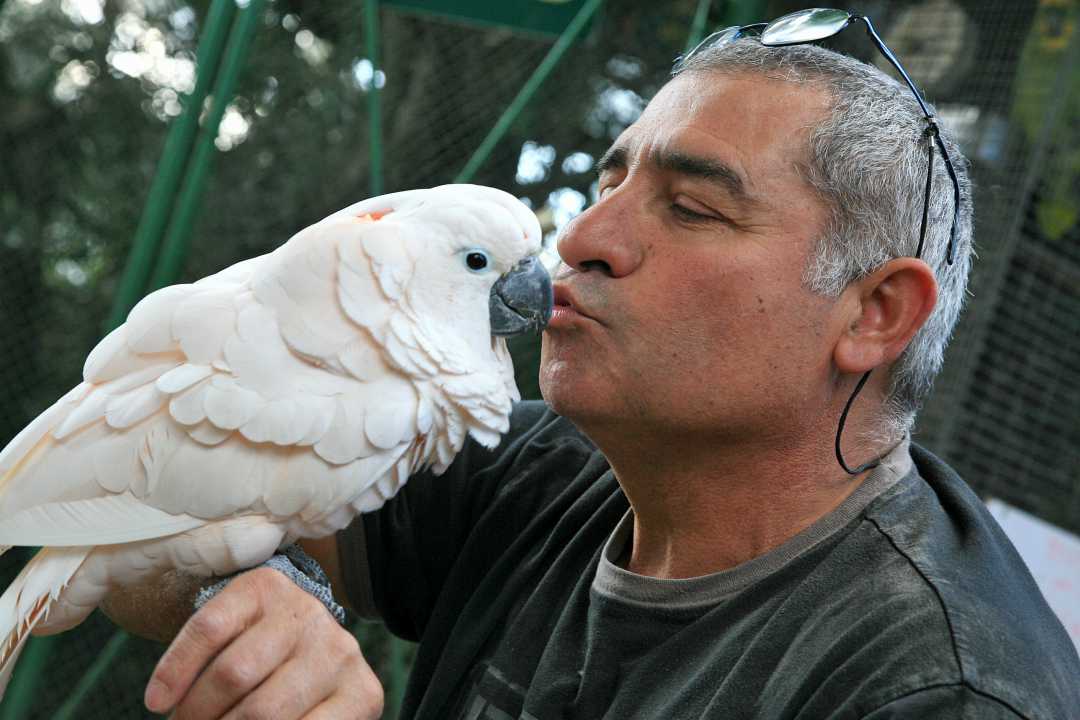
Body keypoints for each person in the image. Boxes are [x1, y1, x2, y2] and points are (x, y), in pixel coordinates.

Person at [102, 15, 1080, 720]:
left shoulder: (932, 687)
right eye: (609, 180)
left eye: (692, 208)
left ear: (875, 314)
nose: (581, 238)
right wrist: (265, 600)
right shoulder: (533, 468)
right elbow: (147, 512)